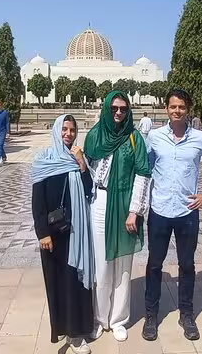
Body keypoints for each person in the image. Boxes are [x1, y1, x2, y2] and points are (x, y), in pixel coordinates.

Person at [142, 89, 202, 342]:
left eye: (181, 107)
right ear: (166, 109)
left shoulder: (200, 139)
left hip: (187, 212)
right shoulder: (155, 137)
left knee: (186, 265)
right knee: (155, 264)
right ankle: (151, 315)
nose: (177, 111)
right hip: (160, 210)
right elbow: (143, 167)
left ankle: (186, 314)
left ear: (187, 109)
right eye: (172, 106)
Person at [84, 90, 151, 342]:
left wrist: (134, 211)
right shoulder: (94, 136)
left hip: (125, 205)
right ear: (106, 109)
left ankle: (119, 319)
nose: (119, 113)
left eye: (123, 109)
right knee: (101, 266)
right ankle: (100, 318)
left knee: (123, 267)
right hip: (100, 203)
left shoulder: (134, 138)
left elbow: (143, 174)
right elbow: (86, 172)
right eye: (114, 109)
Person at [32, 115, 95, 354]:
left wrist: (81, 164)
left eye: (72, 130)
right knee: (60, 284)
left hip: (77, 233)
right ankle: (68, 332)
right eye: (65, 129)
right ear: (57, 131)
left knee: (76, 283)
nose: (68, 134)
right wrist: (42, 233)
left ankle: (79, 329)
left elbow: (90, 191)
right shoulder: (44, 160)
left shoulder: (77, 159)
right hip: (54, 236)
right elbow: (37, 202)